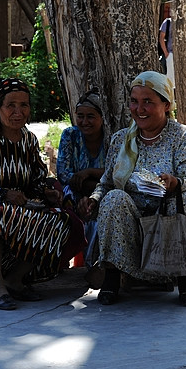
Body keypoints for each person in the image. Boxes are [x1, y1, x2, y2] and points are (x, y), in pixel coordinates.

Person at [0, 78, 85, 310]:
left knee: (60, 220)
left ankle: (15, 279)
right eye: (10, 105)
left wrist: (46, 193)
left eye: (24, 105)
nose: (18, 112)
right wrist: (3, 194)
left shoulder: (28, 140)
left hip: (18, 212)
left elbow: (35, 180)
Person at [78, 71, 186, 307]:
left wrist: (176, 184)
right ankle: (112, 278)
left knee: (185, 200)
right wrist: (94, 200)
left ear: (166, 105)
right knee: (114, 198)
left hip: (165, 218)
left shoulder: (184, 137)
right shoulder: (121, 140)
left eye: (148, 101)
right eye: (134, 101)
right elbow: (106, 182)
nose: (139, 109)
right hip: (130, 223)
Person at [56, 87, 107, 266]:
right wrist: (87, 187)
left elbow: (115, 173)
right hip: (75, 193)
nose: (84, 121)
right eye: (80, 116)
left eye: (90, 116)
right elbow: (63, 173)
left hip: (103, 194)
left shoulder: (111, 138)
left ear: (102, 118)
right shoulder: (70, 135)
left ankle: (99, 264)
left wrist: (88, 173)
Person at [158, 9, 175, 86]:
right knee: (170, 77)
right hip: (170, 53)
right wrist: (166, 53)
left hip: (182, 54)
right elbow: (161, 37)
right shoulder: (168, 22)